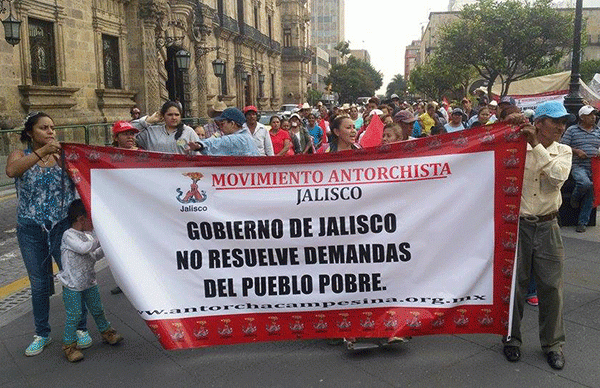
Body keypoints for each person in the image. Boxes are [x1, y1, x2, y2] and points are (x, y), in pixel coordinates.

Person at [5, 112, 90, 356]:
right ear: (30, 133)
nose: (50, 132)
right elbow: (12, 171)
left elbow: (81, 175)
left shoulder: (62, 155)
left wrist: (61, 156)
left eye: (53, 127)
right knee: (40, 284)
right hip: (30, 229)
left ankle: (80, 327)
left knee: (72, 279)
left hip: (62, 228)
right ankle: (42, 333)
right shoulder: (20, 155)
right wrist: (43, 152)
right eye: (44, 128)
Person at [502, 100, 572, 371]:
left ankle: (553, 345)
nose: (561, 127)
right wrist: (505, 124)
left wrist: (536, 146)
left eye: (563, 122)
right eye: (556, 121)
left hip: (548, 225)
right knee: (514, 287)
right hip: (517, 225)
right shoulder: (515, 143)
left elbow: (556, 178)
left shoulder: (562, 151)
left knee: (551, 288)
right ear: (539, 122)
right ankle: (511, 339)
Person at [58, 199, 124, 362]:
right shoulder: (69, 236)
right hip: (72, 285)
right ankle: (69, 346)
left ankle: (106, 332)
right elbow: (84, 248)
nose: (95, 225)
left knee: (97, 309)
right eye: (93, 220)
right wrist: (101, 238)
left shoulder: (87, 236)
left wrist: (107, 246)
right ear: (81, 219)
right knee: (74, 315)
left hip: (89, 282)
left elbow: (93, 256)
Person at [560, 105, 600, 232]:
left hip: (594, 167)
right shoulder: (572, 130)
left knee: (591, 193)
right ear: (582, 117)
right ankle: (575, 198)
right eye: (590, 115)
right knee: (584, 183)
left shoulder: (598, 131)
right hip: (578, 166)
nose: (593, 117)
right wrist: (576, 151)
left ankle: (583, 222)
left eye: (594, 115)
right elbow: (562, 146)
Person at [132, 101, 199, 154]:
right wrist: (148, 120)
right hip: (156, 169)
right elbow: (129, 130)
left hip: (181, 170)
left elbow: (199, 151)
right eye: (170, 115)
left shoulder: (188, 132)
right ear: (163, 116)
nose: (174, 118)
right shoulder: (151, 132)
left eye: (177, 115)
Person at [187, 107, 259, 156]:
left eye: (223, 123)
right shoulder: (247, 137)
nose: (221, 127)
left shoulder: (237, 139)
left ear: (232, 123)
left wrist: (201, 145)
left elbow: (220, 142)